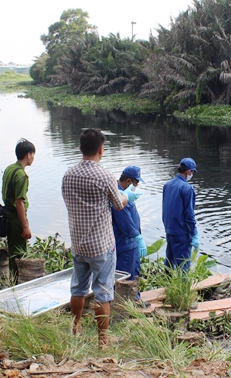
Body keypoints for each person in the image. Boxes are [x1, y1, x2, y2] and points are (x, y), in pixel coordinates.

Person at [62, 128, 141, 348]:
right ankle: (103, 341)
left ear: (80, 148)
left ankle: (76, 326)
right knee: (103, 293)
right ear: (100, 149)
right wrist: (127, 196)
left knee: (77, 289)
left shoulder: (68, 174)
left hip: (78, 243)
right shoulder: (104, 176)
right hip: (101, 246)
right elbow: (118, 204)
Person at [111, 166, 147, 304]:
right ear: (128, 181)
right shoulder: (119, 197)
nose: (136, 186)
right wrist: (137, 237)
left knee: (134, 273)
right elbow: (124, 222)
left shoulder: (123, 194)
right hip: (125, 244)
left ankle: (134, 299)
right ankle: (127, 305)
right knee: (126, 276)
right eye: (136, 183)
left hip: (130, 243)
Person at [2, 138, 35, 281]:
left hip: (6, 214)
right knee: (19, 253)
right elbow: (19, 202)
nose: (33, 158)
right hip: (16, 217)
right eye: (33, 154)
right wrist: (25, 226)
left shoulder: (10, 168)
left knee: (12, 250)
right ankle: (16, 283)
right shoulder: (21, 175)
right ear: (28, 155)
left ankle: (12, 279)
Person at [162, 158, 199, 270]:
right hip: (182, 232)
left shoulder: (167, 185)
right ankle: (182, 286)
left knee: (169, 260)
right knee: (183, 265)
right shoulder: (186, 188)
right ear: (188, 172)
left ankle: (166, 283)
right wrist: (194, 233)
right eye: (192, 172)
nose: (191, 175)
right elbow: (189, 214)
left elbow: (166, 207)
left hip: (169, 229)